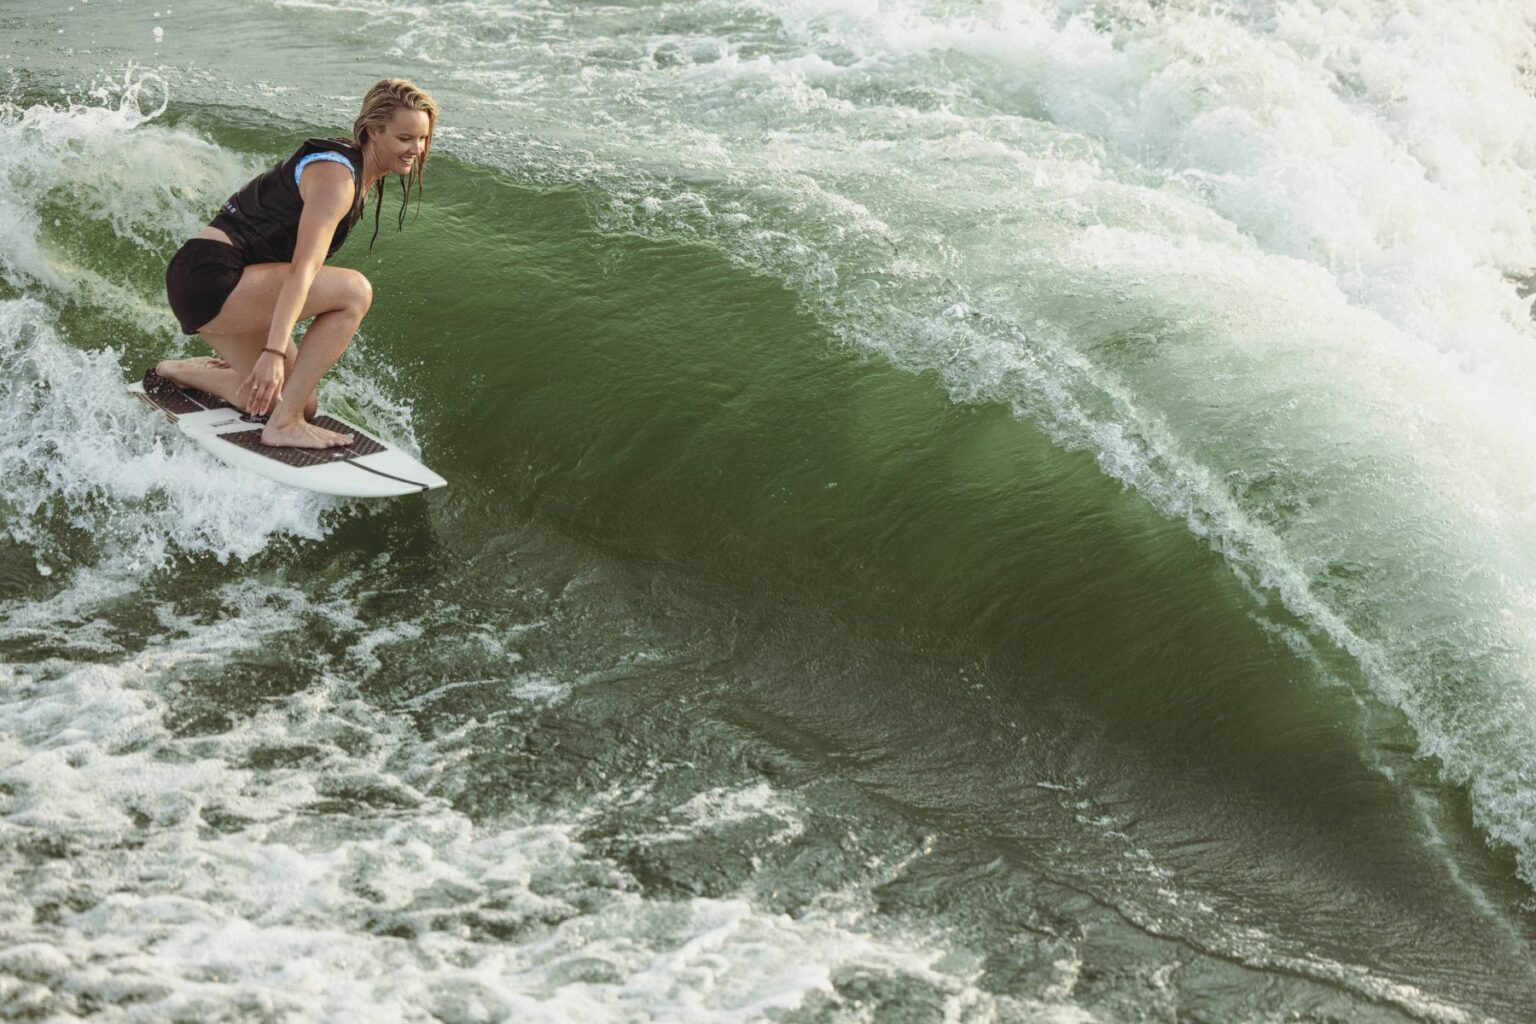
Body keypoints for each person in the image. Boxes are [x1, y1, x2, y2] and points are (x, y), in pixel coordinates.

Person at [158, 79, 438, 449]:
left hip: (220, 283)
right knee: (355, 291)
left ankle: (178, 371)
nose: (415, 150)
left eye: (421, 139)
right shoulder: (337, 178)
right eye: (405, 139)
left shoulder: (354, 170)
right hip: (213, 279)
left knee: (300, 401)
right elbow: (301, 271)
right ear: (374, 130)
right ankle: (284, 426)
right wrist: (273, 353)